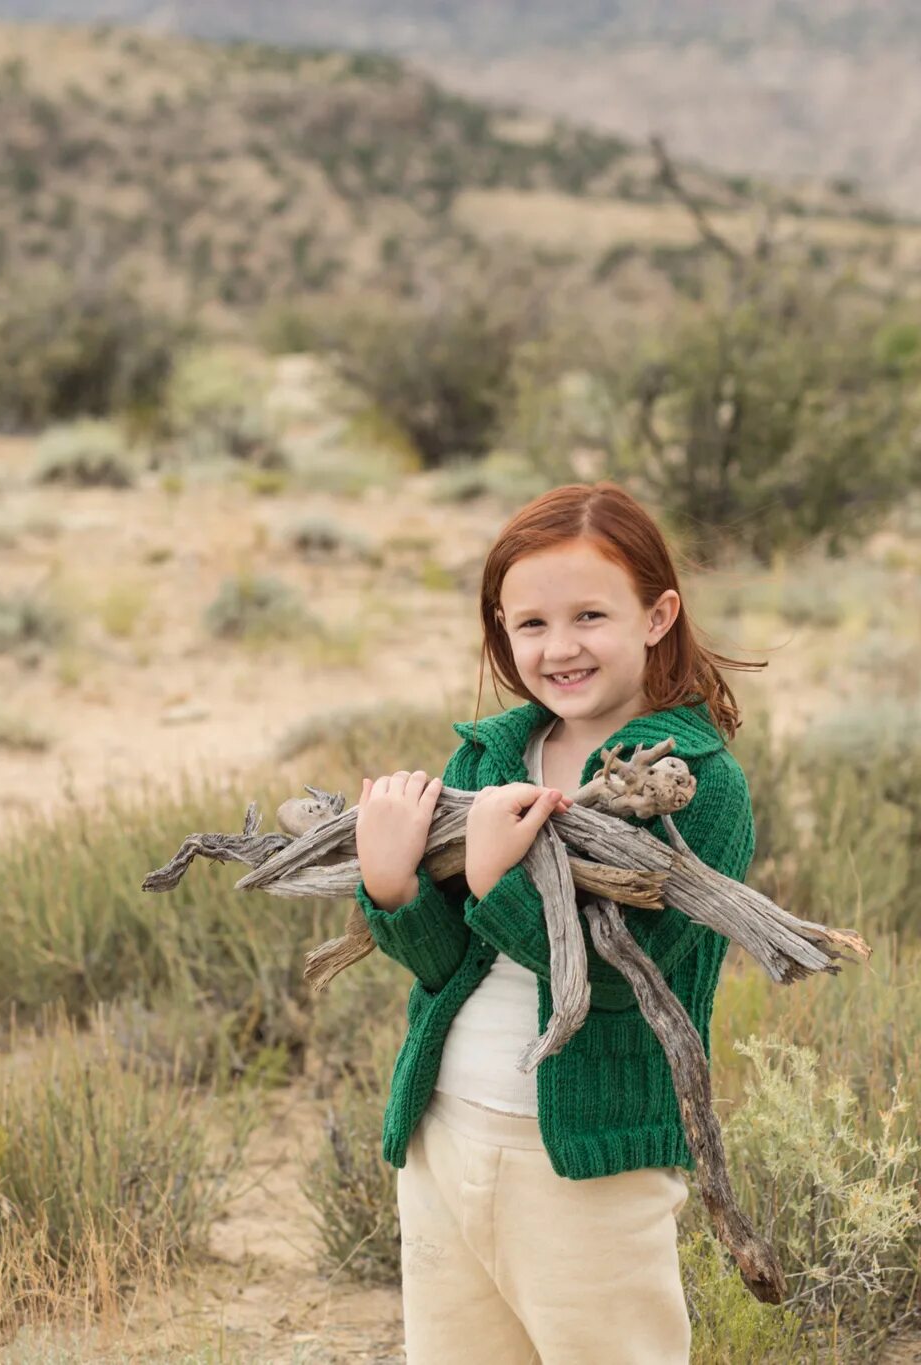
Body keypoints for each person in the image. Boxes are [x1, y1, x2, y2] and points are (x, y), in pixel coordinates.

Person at [353, 481, 764, 1364]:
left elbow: (622, 988)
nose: (560, 646)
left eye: (589, 615)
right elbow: (446, 963)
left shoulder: (701, 785)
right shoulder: (492, 753)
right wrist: (394, 890)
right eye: (529, 624)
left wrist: (503, 878)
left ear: (658, 615)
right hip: (445, 1131)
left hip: (588, 1163)